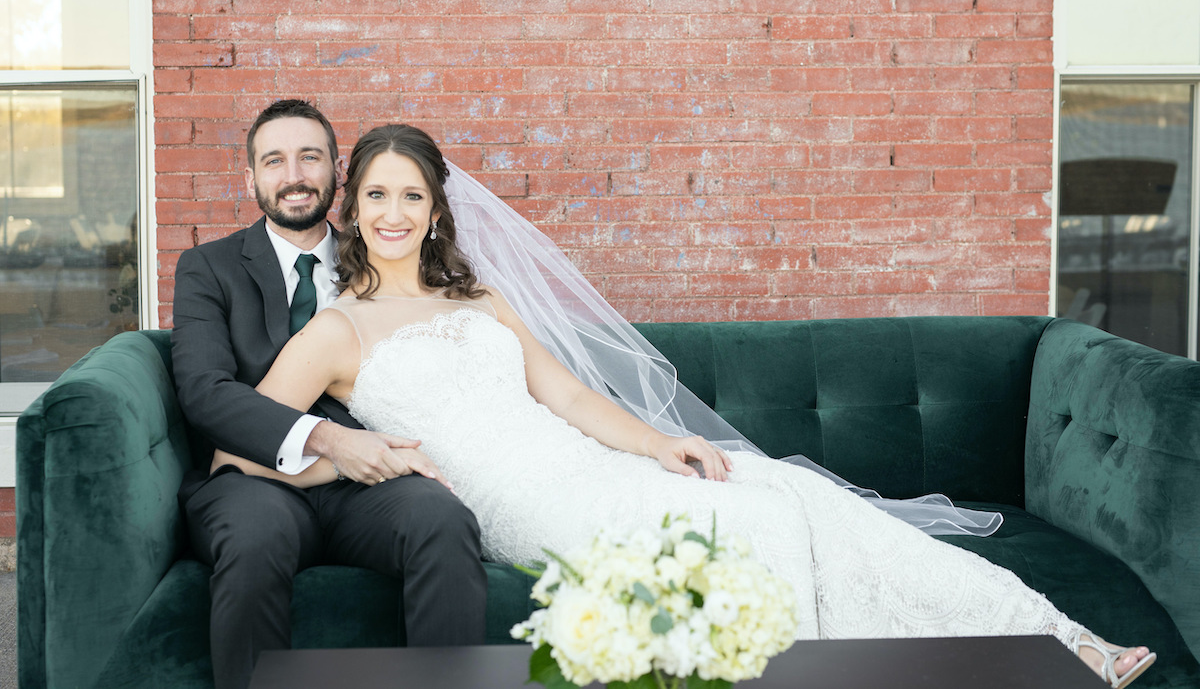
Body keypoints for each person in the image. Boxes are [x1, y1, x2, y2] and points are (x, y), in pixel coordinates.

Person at [213, 123, 1157, 689]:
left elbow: (573, 396)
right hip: (526, 502)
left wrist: (660, 442)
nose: (392, 211)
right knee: (753, 530)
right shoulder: (334, 331)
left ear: (434, 206)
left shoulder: (481, 302)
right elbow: (239, 452)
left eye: (409, 194)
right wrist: (352, 450)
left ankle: (1067, 642)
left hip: (589, 461)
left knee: (791, 494)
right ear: (352, 205)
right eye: (375, 193)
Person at [171, 103, 487, 689]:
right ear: (251, 179)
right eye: (274, 160)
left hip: (367, 489)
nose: (293, 174)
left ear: (338, 172)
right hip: (254, 479)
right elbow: (205, 392)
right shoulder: (207, 269)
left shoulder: (380, 253)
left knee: (442, 518)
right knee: (255, 536)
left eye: (309, 157)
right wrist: (329, 440)